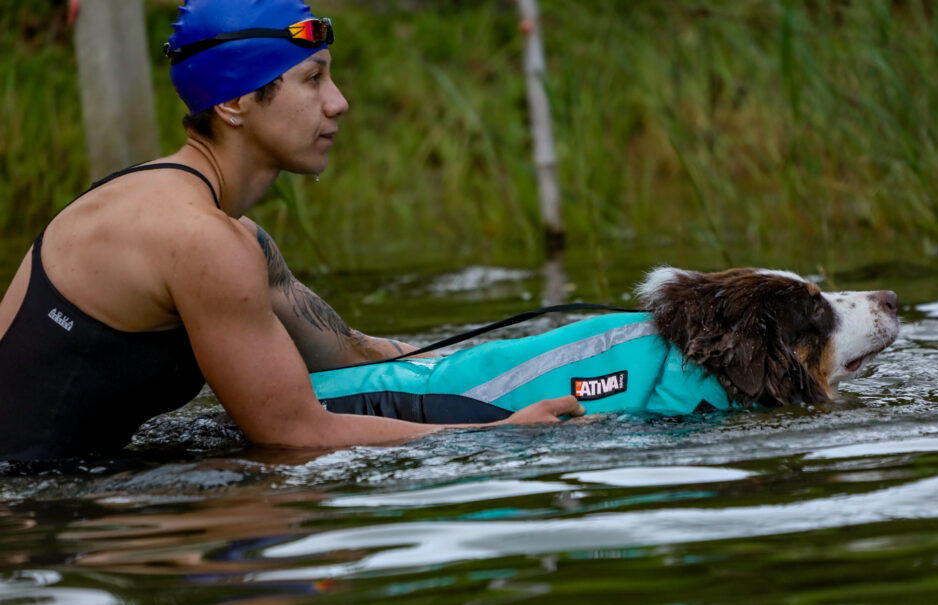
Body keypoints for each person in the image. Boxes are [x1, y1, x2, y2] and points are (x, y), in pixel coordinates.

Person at [0, 0, 583, 462]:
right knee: (263, 505)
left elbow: (346, 351)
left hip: (66, 490)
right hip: (31, 515)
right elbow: (295, 435)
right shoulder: (201, 239)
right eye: (313, 78)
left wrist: (510, 369)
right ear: (233, 101)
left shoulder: (226, 230)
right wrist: (498, 437)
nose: (340, 103)